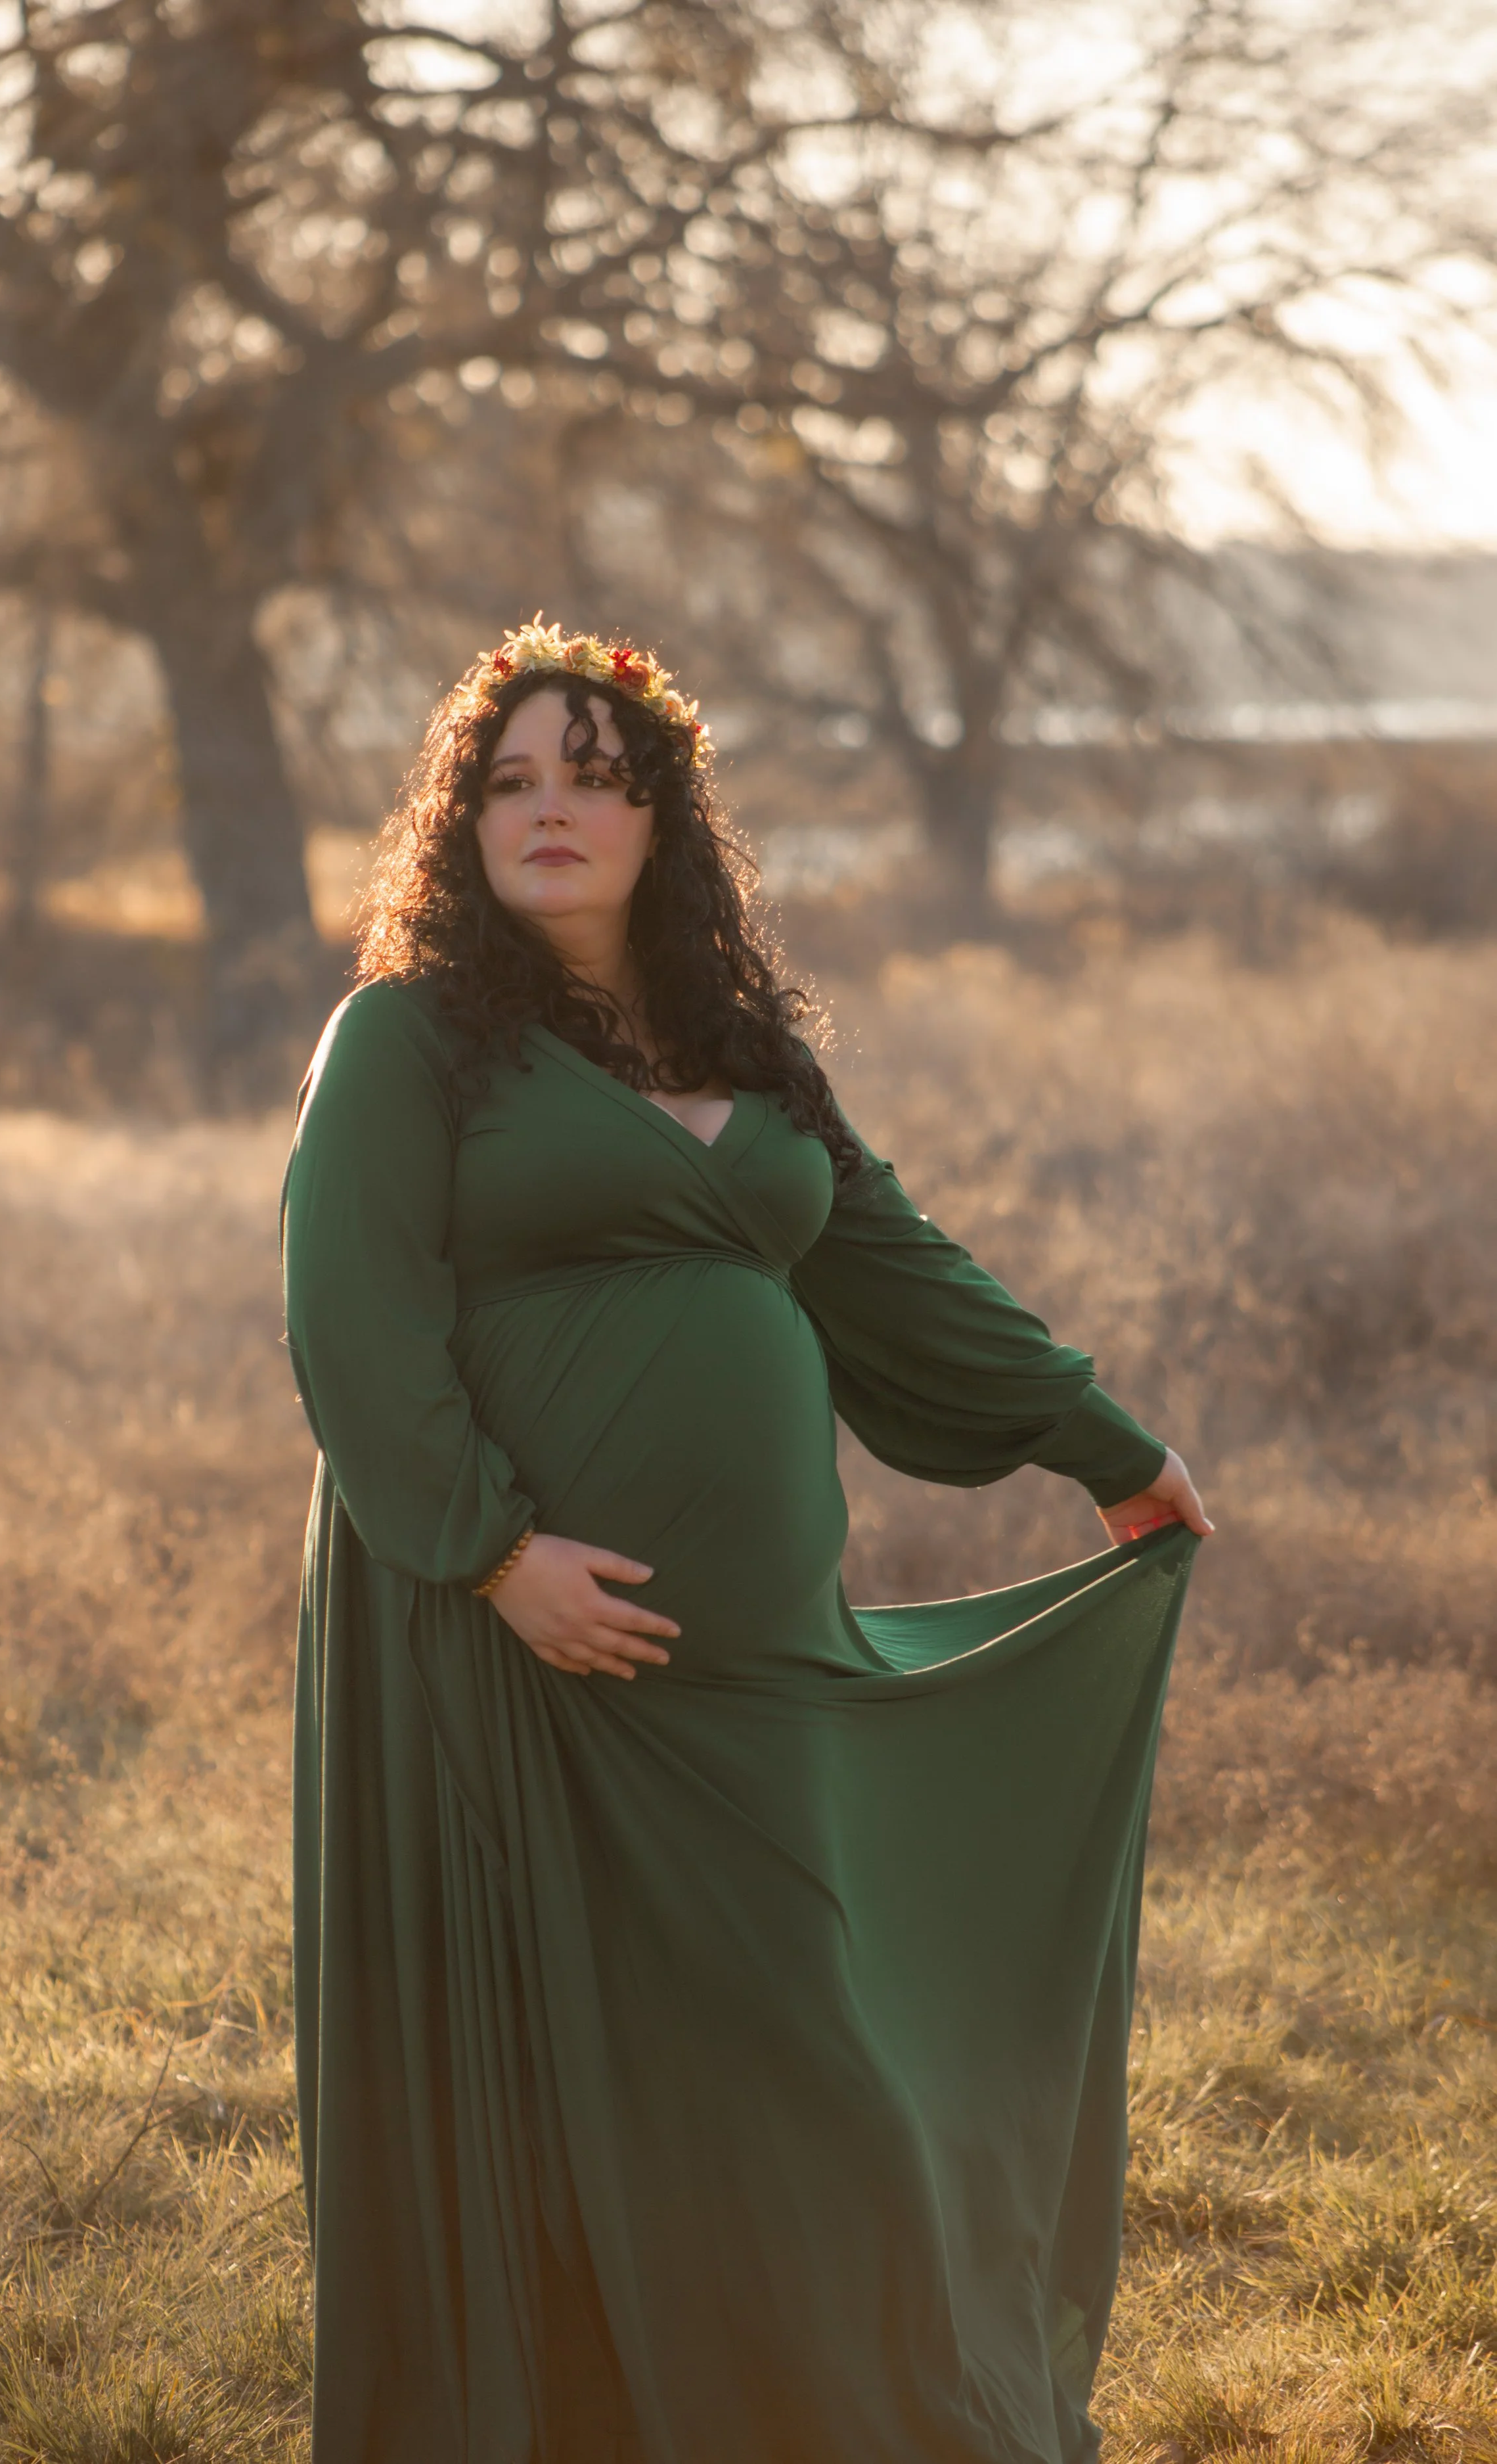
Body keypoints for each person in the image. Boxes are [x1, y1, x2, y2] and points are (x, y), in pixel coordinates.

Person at [281, 622, 1211, 2464]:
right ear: (460, 820)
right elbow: (350, 1320)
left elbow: (895, 1264)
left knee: (801, 2045)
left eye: (591, 779)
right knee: (570, 2063)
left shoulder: (747, 1054)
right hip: (504, 1637)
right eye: (508, 780)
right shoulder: (406, 1039)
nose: (547, 810)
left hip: (750, 1642)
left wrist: (1103, 1442)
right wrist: (490, 1554)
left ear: (660, 820)